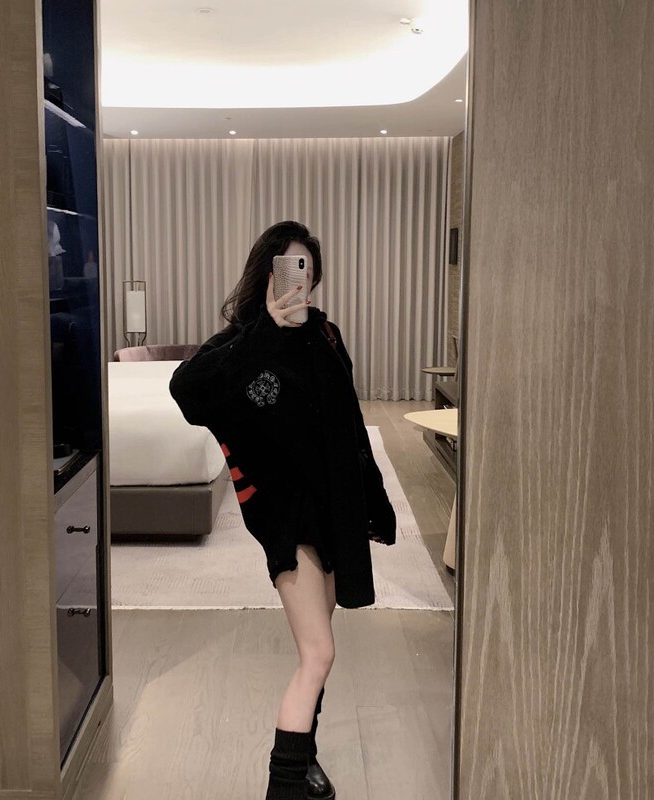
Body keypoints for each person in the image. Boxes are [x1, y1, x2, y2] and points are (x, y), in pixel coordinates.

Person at [169, 220, 396, 800]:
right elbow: (188, 392)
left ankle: (306, 756)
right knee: (318, 653)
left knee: (319, 650)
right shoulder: (239, 343)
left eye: (307, 271)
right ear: (266, 274)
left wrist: (374, 503)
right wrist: (265, 332)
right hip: (287, 519)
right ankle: (286, 784)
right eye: (289, 268)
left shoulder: (327, 336)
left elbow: (350, 427)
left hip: (332, 510)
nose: (300, 281)